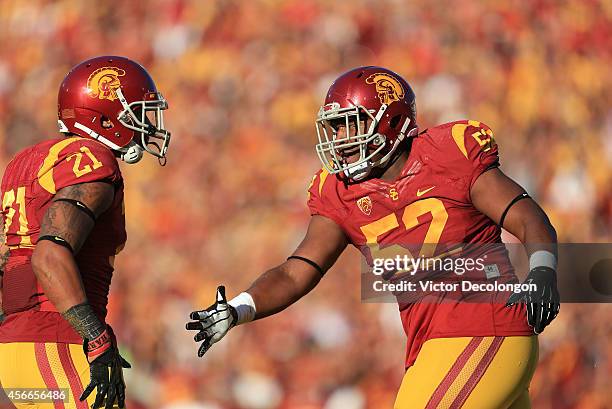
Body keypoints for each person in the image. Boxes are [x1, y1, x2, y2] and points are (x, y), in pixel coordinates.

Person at [186, 66, 560, 408]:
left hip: (484, 328)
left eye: (351, 124)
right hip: (430, 346)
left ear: (391, 121)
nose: (340, 138)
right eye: (335, 127)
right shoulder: (339, 192)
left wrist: (543, 270)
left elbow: (528, 218)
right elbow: (295, 270)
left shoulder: (448, 155)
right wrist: (238, 308)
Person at [0, 55, 171, 409]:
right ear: (104, 114)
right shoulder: (92, 159)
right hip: (58, 342)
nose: (146, 124)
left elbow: (9, 259)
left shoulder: (26, 160)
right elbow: (49, 255)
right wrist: (97, 338)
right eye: (136, 113)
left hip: (14, 347)